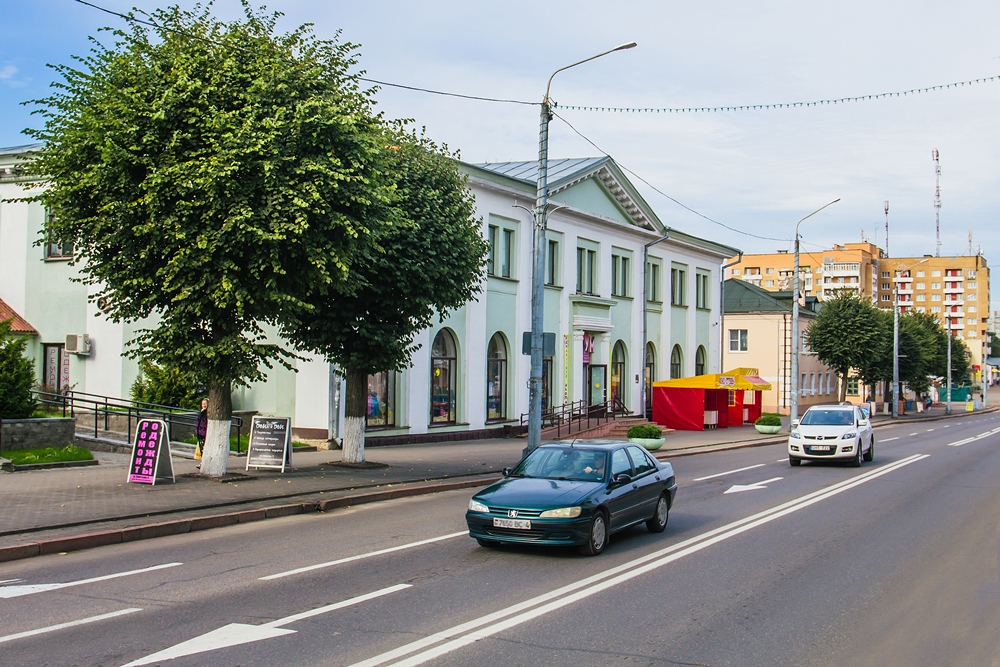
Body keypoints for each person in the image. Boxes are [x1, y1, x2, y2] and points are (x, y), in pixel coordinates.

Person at [195, 398, 208, 465]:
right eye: (203, 404)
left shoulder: (208, 413)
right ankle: (202, 462)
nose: (204, 405)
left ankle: (203, 463)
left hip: (205, 433)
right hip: (200, 433)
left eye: (205, 404)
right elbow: (198, 421)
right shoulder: (201, 413)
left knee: (204, 449)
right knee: (201, 448)